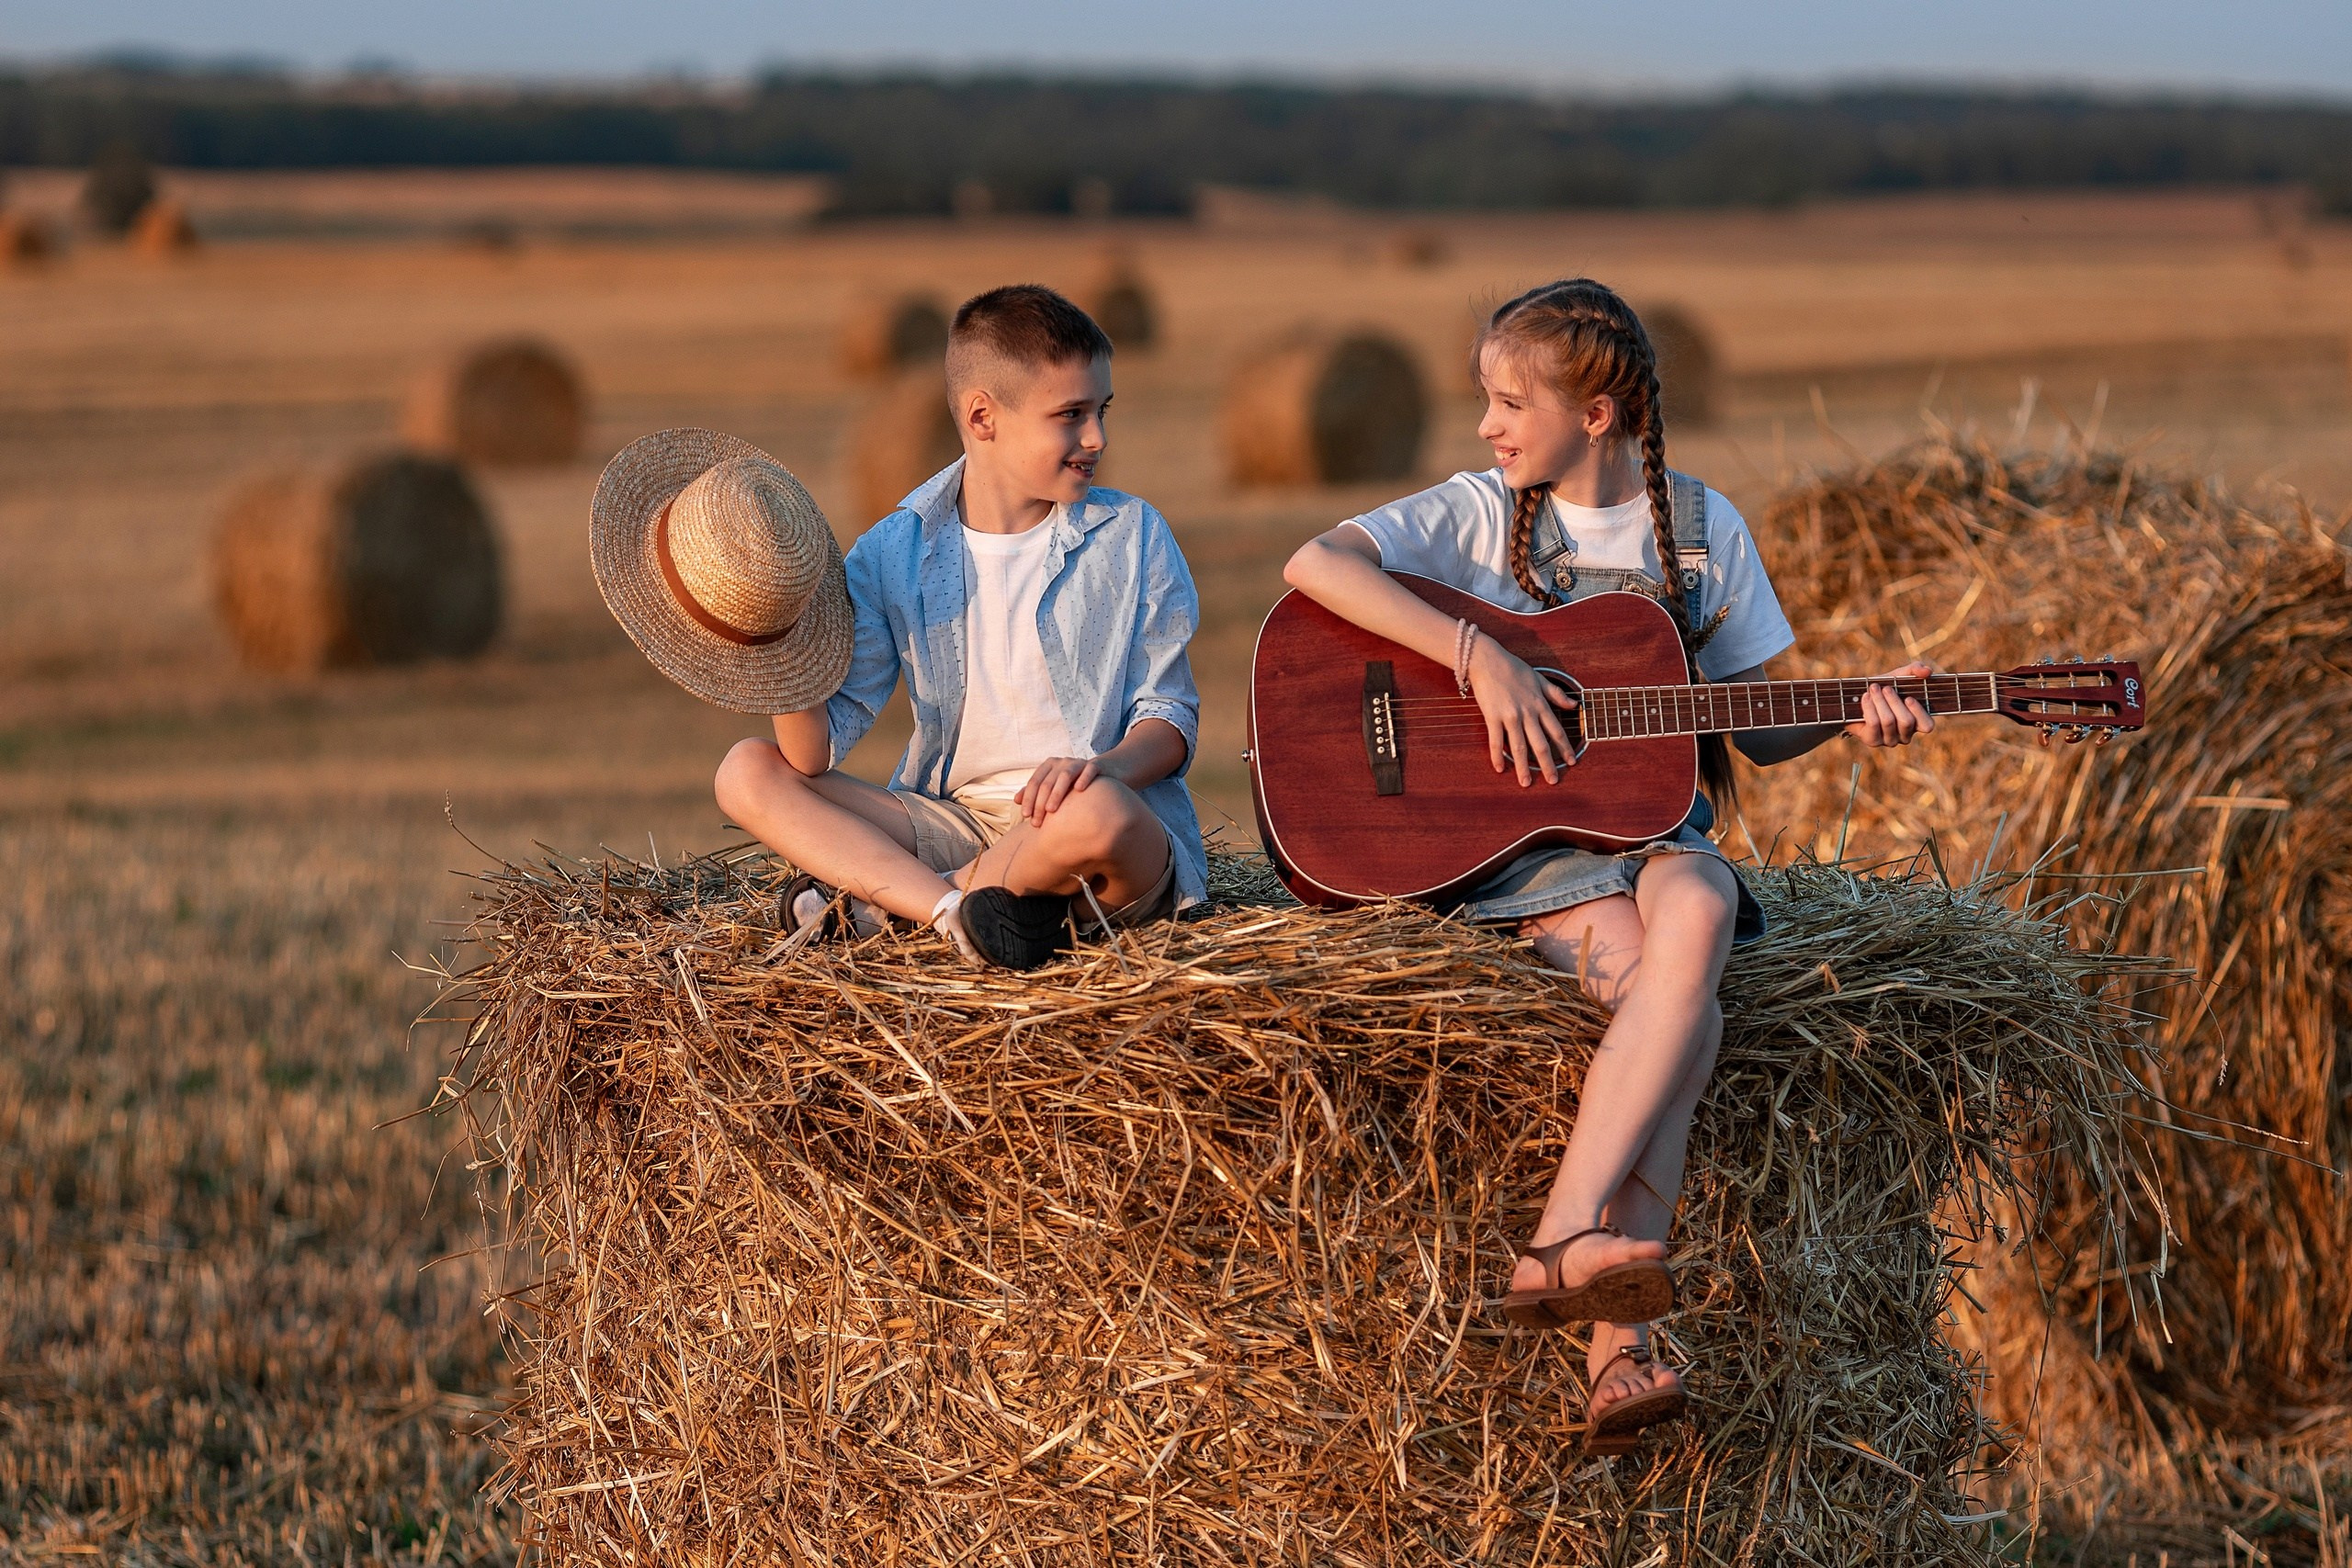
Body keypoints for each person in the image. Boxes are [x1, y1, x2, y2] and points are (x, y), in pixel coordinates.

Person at [1279, 277, 1938, 1452]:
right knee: (1691, 1019)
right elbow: (1313, 564)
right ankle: (1614, 1341)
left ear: (1593, 413)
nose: (1486, 424)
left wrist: (1855, 710)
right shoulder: (1483, 513)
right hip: (1518, 854)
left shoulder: (1695, 526)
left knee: (1695, 902)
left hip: (1649, 837)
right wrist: (1477, 656)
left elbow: (1755, 722)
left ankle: (1563, 1236)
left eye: (1506, 400)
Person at [710, 284, 1208, 970]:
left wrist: (1099, 770)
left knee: (1102, 815)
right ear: (983, 417)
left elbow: (1170, 718)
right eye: (1071, 415)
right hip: (954, 823)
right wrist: (779, 646)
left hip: (1091, 833)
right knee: (746, 771)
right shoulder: (894, 551)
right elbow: (814, 756)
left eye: (1101, 410)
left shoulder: (1132, 534)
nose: (1097, 437)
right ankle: (957, 914)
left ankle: (889, 909)